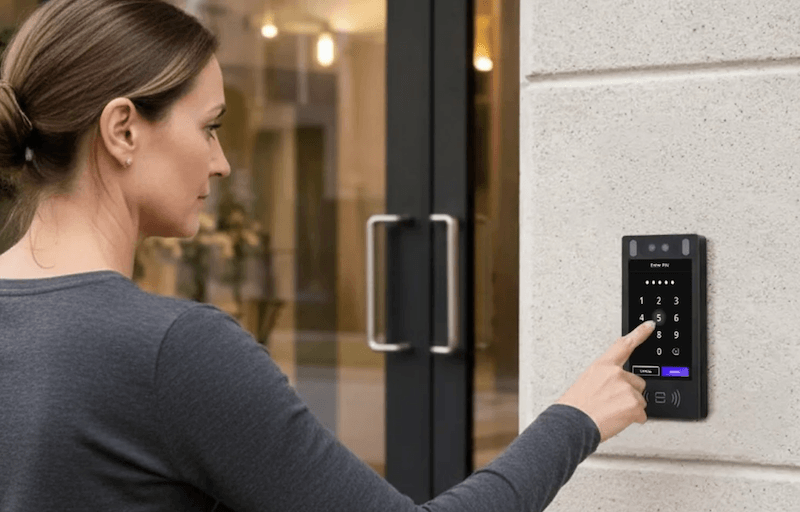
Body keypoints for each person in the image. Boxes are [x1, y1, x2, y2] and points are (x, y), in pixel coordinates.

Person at [0, 0, 654, 510]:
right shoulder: (172, 351)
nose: (222, 162)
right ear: (122, 130)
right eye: (209, 127)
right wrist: (578, 417)